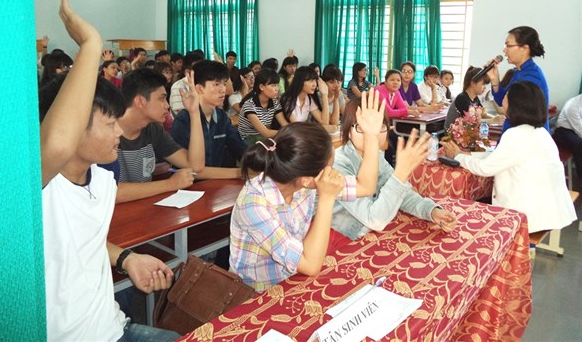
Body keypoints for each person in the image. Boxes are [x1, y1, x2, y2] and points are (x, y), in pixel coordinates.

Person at [40, 0, 178, 341]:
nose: (119, 132)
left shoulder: (102, 179)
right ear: (74, 126)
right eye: (109, 123)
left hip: (115, 327)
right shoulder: (39, 186)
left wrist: (127, 259)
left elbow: (87, 242)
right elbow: (57, 143)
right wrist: (90, 43)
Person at [229, 90, 384, 291]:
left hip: (293, 278)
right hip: (256, 291)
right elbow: (310, 265)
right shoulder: (254, 203)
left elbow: (365, 186)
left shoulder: (300, 180)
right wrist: (326, 199)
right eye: (329, 167)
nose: (332, 173)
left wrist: (371, 137)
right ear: (307, 180)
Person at [443, 81, 576, 233]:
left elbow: (485, 168)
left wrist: (458, 156)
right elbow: (500, 156)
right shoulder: (540, 132)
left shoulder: (515, 135)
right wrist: (469, 154)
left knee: (469, 209)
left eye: (506, 96)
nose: (503, 100)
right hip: (549, 208)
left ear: (516, 104)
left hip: (529, 214)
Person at [331, 98, 457, 240]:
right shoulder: (339, 165)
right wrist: (400, 175)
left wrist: (432, 211)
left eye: (379, 126)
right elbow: (374, 219)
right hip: (345, 240)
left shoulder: (376, 156)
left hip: (373, 234)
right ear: (348, 131)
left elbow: (404, 196)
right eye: (361, 127)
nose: (371, 133)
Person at [107, 68, 203, 203]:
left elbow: (195, 166)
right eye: (162, 98)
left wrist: (194, 112)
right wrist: (170, 184)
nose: (167, 105)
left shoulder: (153, 130)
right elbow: (109, 192)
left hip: (143, 209)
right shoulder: (106, 132)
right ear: (140, 101)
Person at [171, 60, 247, 170]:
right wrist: (238, 173)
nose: (223, 90)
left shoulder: (221, 117)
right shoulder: (183, 120)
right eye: (216, 84)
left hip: (218, 178)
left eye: (224, 84)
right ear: (199, 88)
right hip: (191, 180)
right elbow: (191, 170)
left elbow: (240, 148)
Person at [486, 26, 550, 132]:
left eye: (508, 45)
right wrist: (495, 80)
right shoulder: (518, 72)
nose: (504, 50)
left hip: (526, 136)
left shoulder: (532, 78)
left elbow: (516, 113)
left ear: (524, 48)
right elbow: (502, 101)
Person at [238, 68, 288, 144]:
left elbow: (284, 124)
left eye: (277, 85)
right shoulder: (250, 105)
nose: (277, 89)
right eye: (273, 85)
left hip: (263, 138)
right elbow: (266, 133)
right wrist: (286, 132)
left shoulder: (275, 103)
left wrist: (289, 130)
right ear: (261, 87)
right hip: (247, 140)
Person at [553, 93, 582, 179]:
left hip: (576, 130)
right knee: (579, 144)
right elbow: (579, 129)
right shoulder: (573, 105)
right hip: (563, 131)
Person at [169, 50, 204, 116]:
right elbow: (181, 115)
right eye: (198, 69)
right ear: (187, 72)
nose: (202, 72)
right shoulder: (178, 87)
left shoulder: (204, 84)